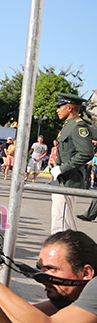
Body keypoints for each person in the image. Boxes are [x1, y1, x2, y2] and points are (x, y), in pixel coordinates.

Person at [51, 93, 95, 234]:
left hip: (68, 180)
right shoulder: (68, 125)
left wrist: (63, 169)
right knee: (58, 220)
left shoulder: (77, 126)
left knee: (62, 223)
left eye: (60, 106)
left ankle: (64, 248)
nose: (57, 110)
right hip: (62, 179)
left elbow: (86, 153)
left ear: (69, 107)